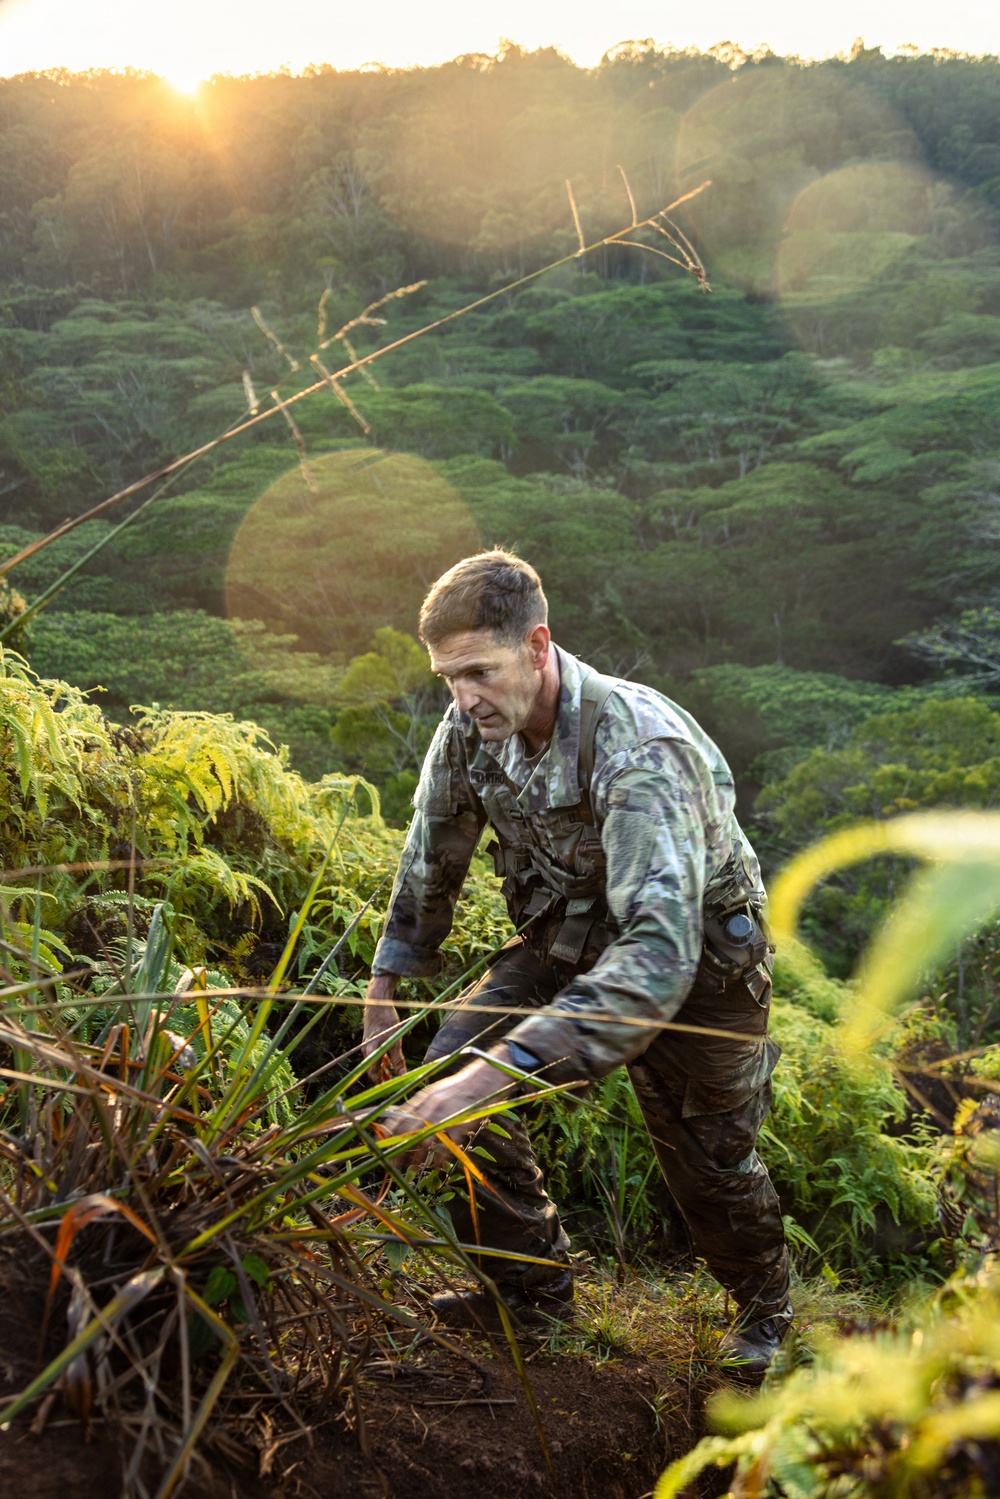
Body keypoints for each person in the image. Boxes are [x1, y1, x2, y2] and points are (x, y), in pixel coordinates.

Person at [362, 549, 791, 1375]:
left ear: (537, 646)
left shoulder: (639, 746)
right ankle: (529, 1289)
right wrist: (385, 988)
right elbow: (432, 853)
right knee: (452, 1077)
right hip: (565, 934)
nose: (463, 697)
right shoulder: (470, 726)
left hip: (694, 963)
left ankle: (763, 1310)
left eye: (479, 672)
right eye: (448, 677)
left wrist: (500, 1071)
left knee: (709, 1157)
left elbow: (660, 951)